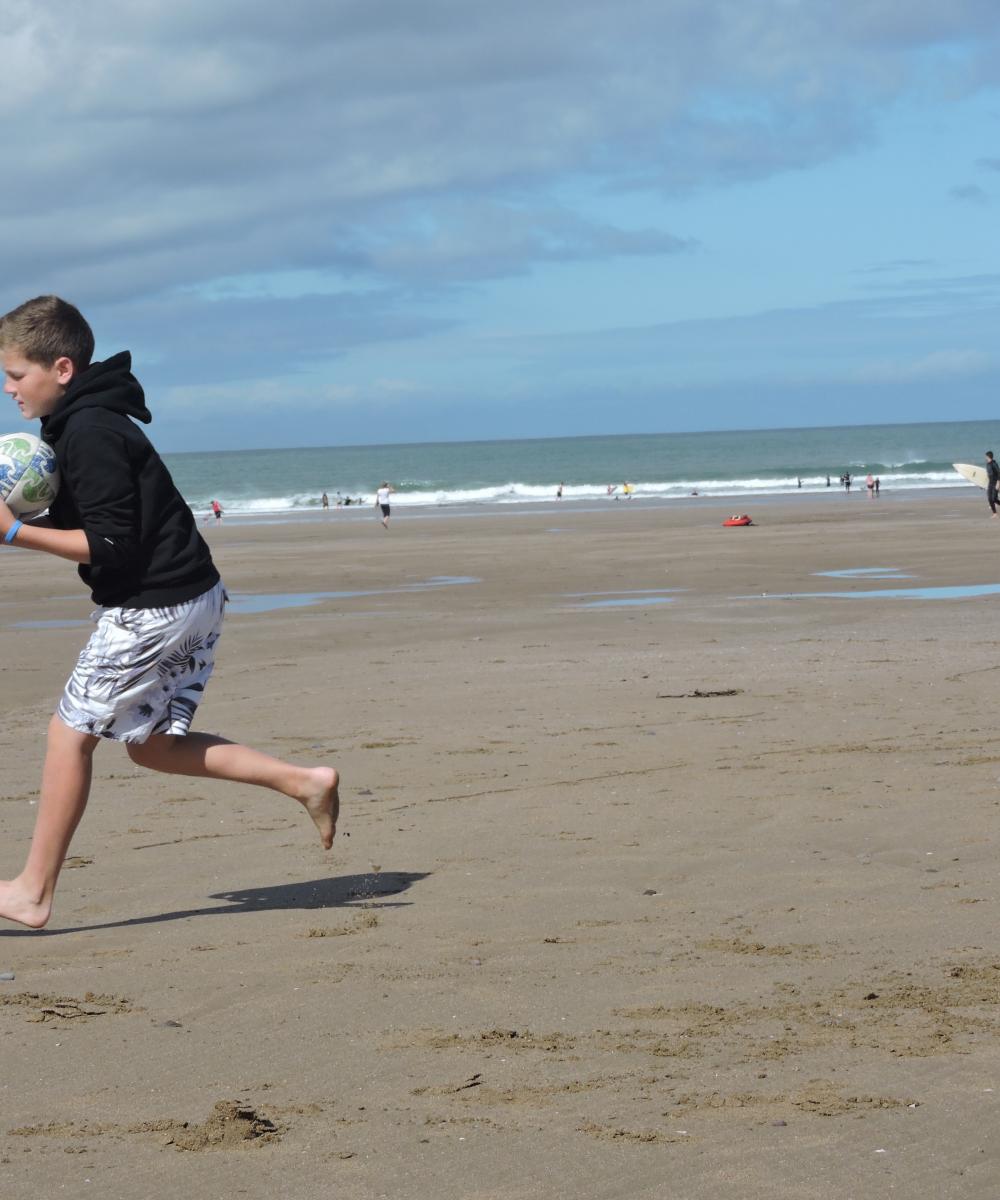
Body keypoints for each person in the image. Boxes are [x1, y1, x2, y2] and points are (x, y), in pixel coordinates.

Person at [0, 296, 339, 929]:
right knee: (151, 746)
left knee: (67, 735)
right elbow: (98, 518)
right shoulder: (83, 423)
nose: (9, 388)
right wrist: (33, 514)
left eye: (17, 375)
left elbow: (110, 544)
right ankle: (304, 781)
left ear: (62, 368)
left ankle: (31, 892)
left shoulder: (93, 430)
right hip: (191, 596)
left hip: (154, 605)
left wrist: (15, 534)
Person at [986, 452, 1000, 518]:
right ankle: (995, 513)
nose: (985, 458)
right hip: (990, 483)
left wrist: (998, 483)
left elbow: (999, 473)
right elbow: (989, 475)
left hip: (995, 483)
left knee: (994, 498)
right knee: (989, 498)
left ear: (988, 457)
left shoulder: (994, 464)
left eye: (986, 456)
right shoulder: (987, 464)